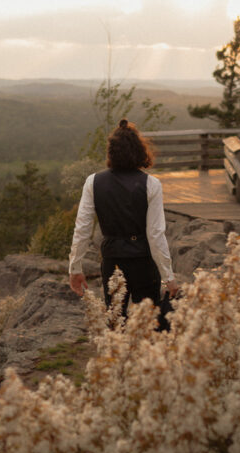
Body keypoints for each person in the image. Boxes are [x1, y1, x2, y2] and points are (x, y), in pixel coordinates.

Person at [68, 119, 179, 324]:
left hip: (112, 260)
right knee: (150, 324)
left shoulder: (93, 182)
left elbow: (82, 229)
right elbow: (155, 235)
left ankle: (118, 355)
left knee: (115, 321)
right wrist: (168, 277)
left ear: (111, 152)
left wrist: (75, 268)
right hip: (143, 261)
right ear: (140, 151)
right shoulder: (151, 184)